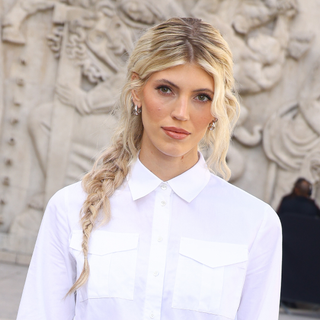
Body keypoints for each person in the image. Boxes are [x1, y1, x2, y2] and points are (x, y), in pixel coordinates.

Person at [17, 17, 282, 320]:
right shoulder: (68, 208)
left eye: (201, 97)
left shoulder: (256, 224)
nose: (181, 113)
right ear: (137, 91)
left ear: (217, 109)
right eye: (166, 90)